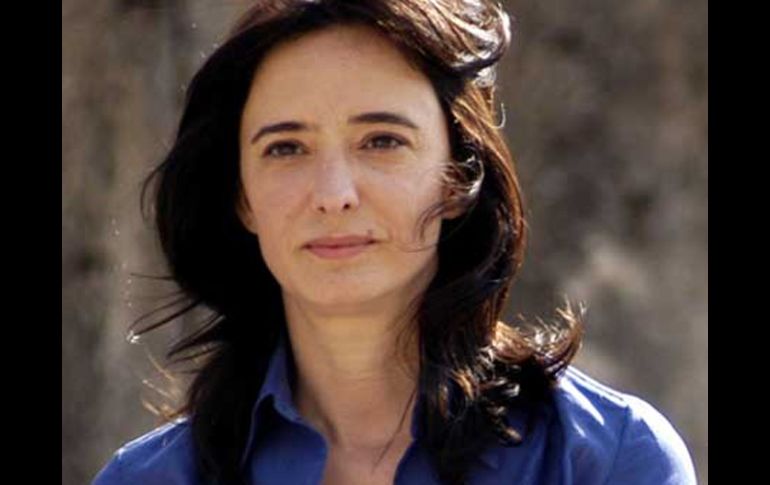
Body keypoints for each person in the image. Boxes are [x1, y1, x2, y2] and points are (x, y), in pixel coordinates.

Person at [92, 1, 698, 484]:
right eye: (286, 148)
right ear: (242, 198)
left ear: (459, 176)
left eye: (381, 141)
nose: (334, 194)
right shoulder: (148, 478)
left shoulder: (608, 462)